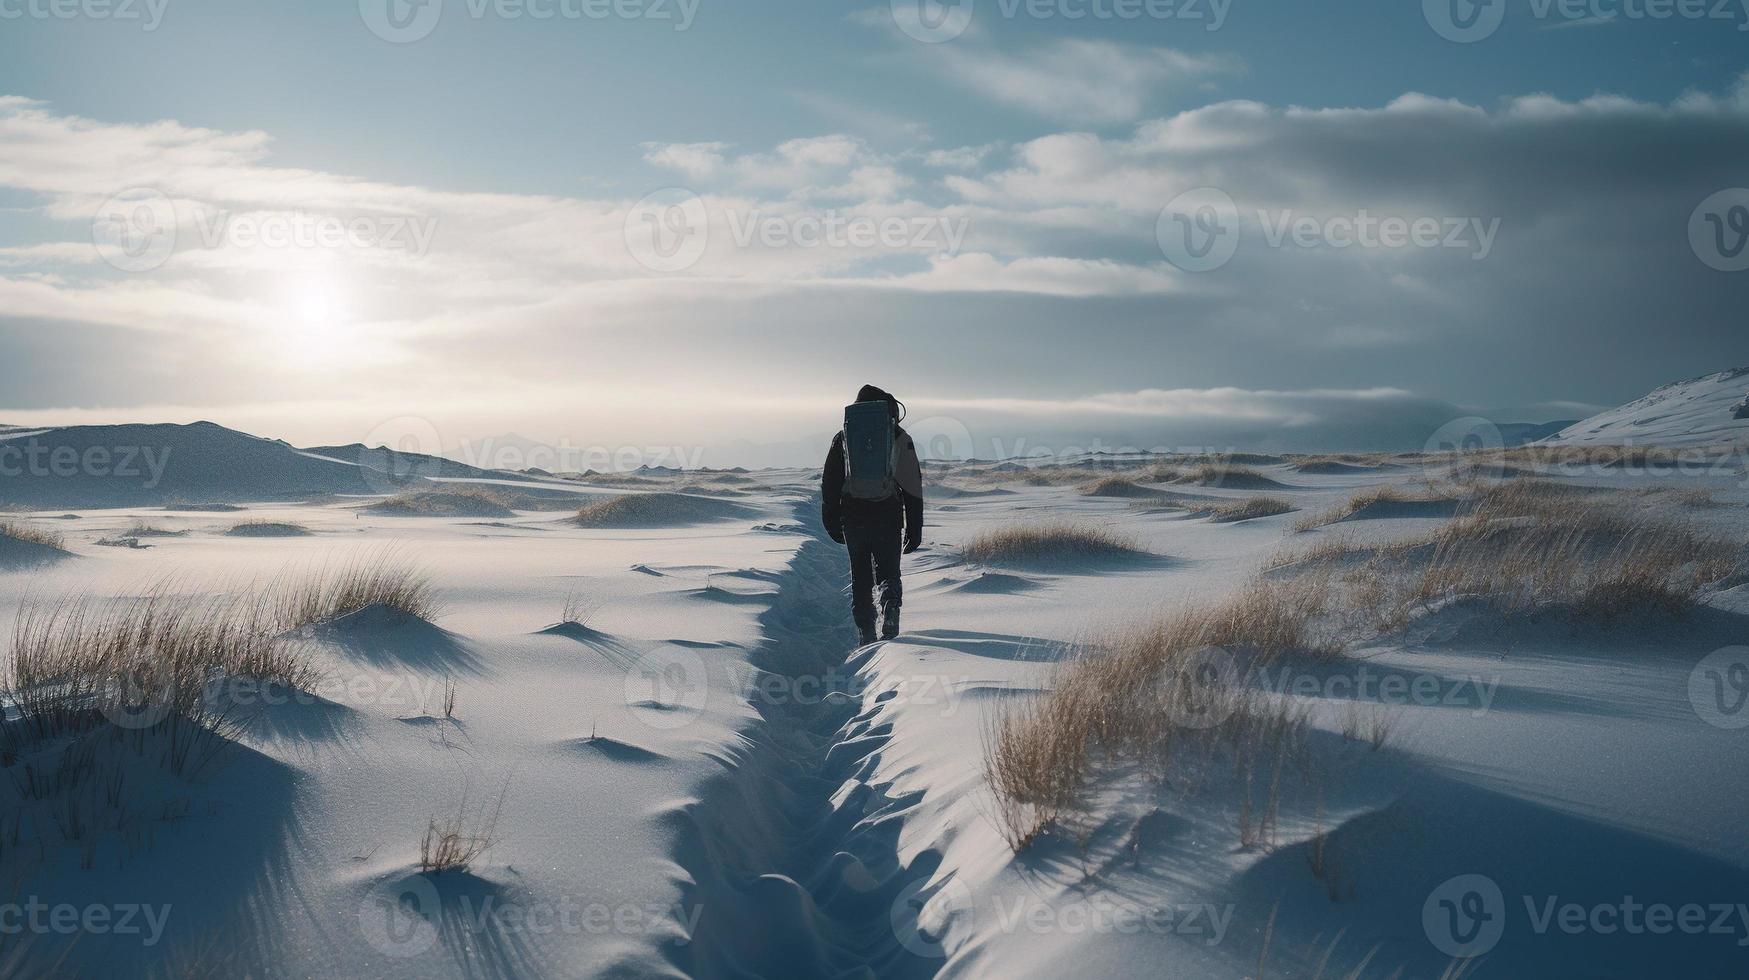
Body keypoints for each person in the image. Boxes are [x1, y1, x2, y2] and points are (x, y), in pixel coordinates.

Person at [821, 384, 924, 645]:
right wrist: (914, 527)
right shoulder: (897, 435)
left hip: (853, 516)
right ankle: (890, 606)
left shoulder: (844, 436)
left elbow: (830, 481)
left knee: (861, 576)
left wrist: (831, 519)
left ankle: (866, 633)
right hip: (888, 514)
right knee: (889, 571)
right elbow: (912, 486)